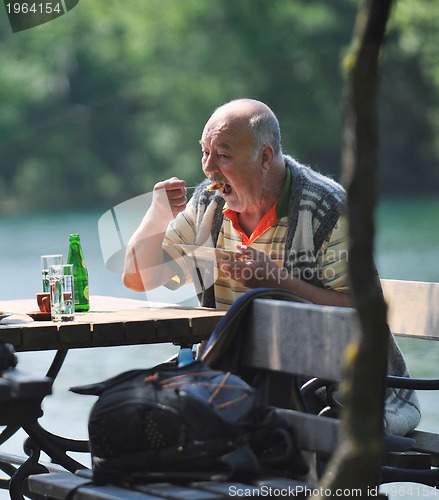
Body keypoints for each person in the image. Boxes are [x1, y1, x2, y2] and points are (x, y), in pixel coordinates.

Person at [123, 98, 351, 309]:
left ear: (265, 158)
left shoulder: (328, 207)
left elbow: (364, 310)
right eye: (205, 152)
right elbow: (138, 280)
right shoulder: (206, 204)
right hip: (229, 353)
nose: (209, 168)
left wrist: (279, 283)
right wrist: (157, 216)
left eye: (223, 155)